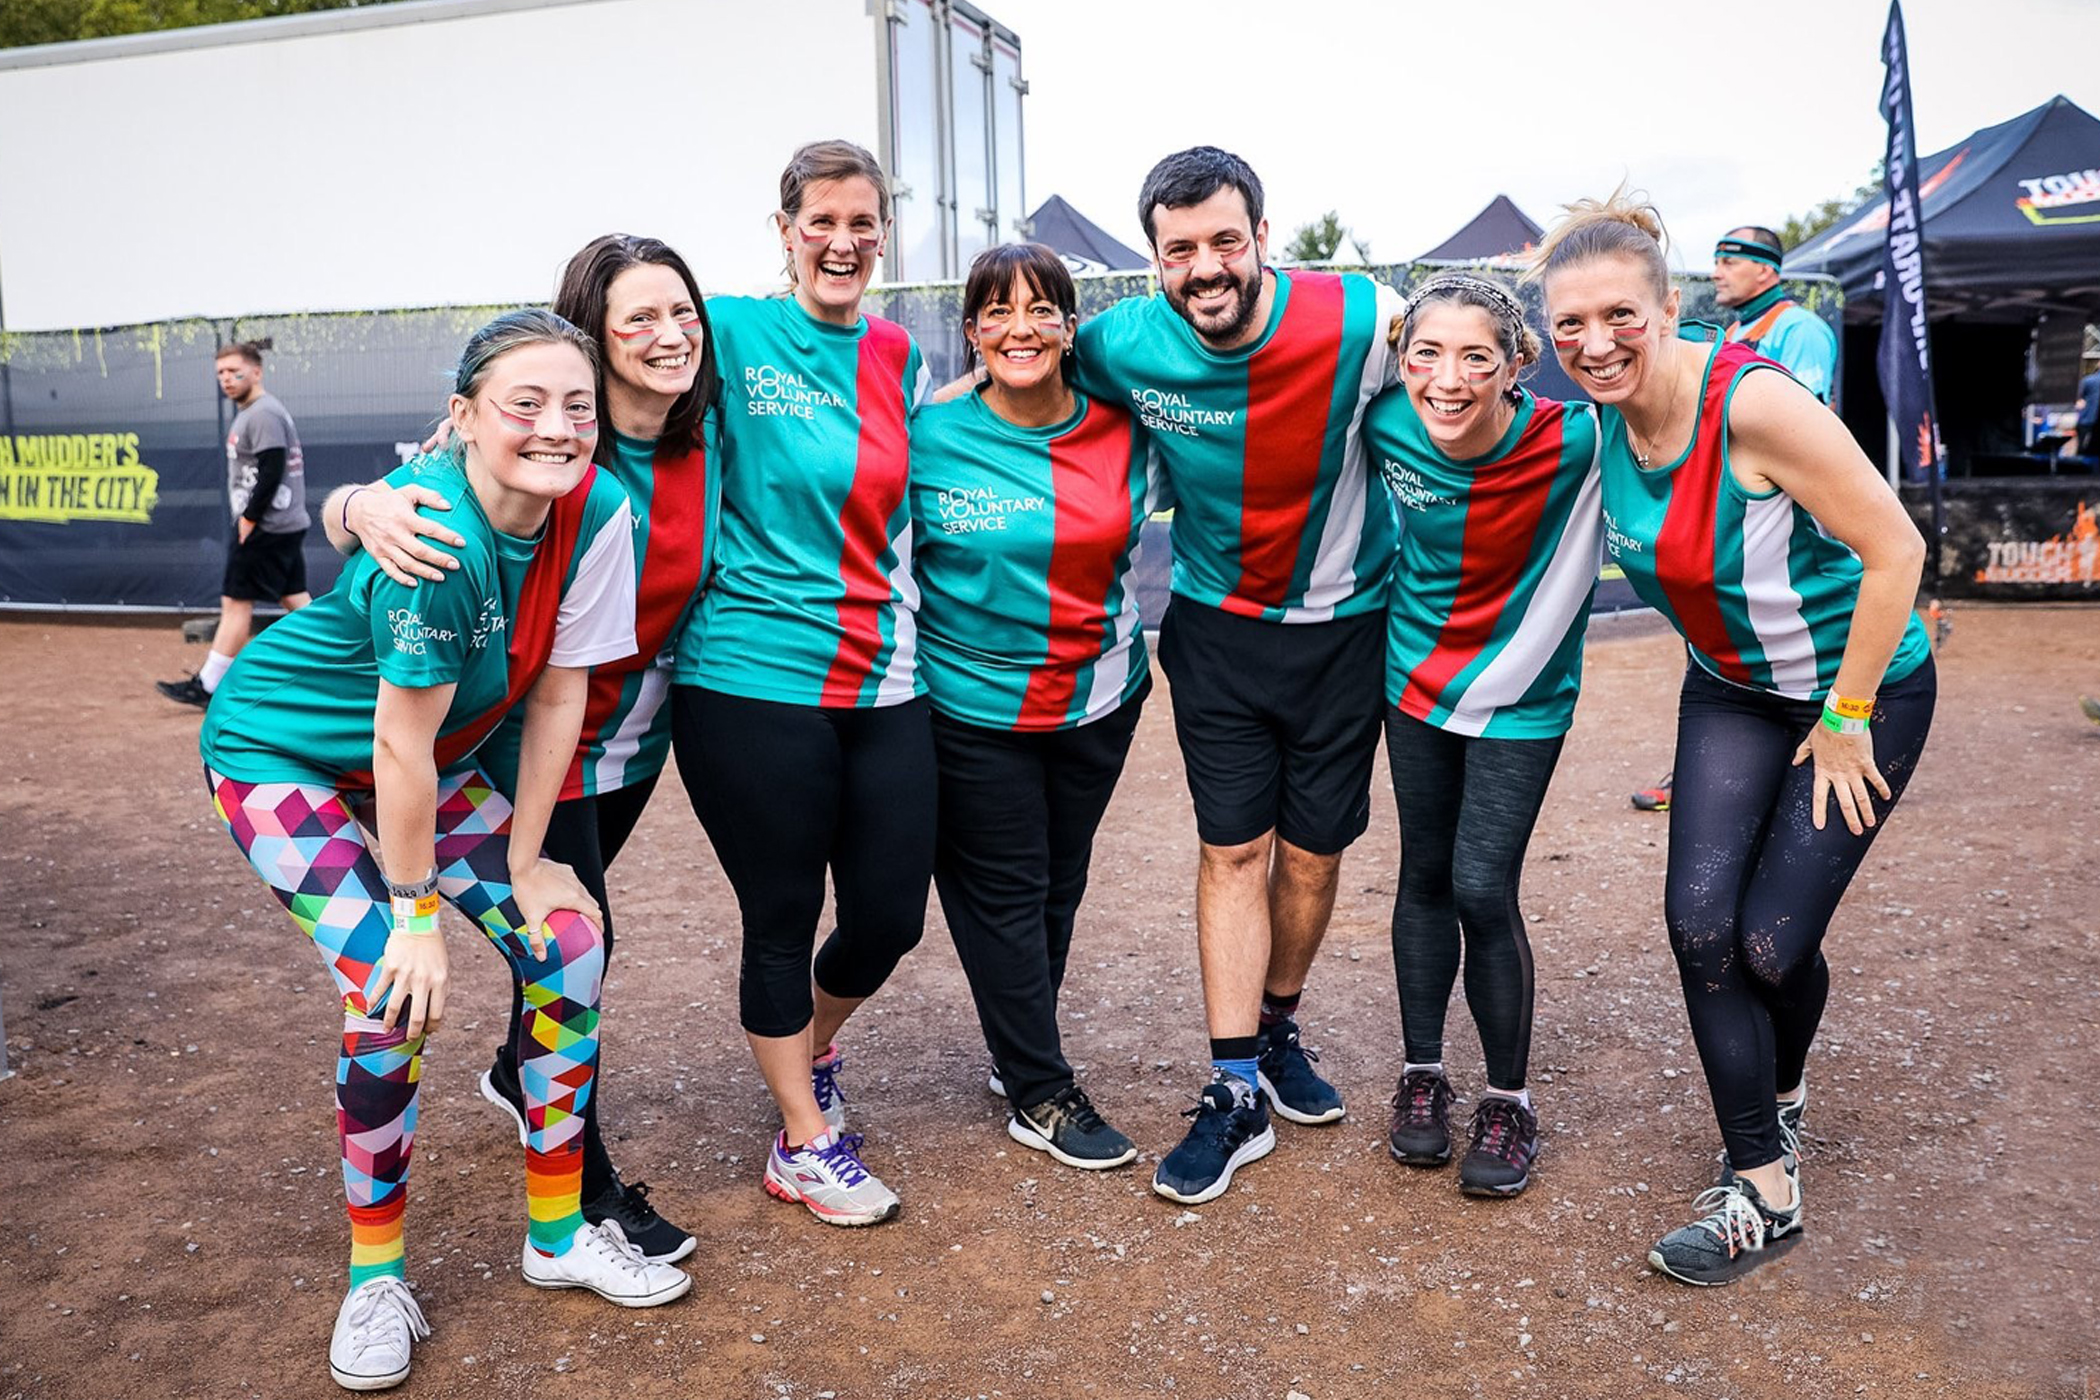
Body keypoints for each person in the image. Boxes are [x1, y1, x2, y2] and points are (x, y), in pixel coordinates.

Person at [199, 310, 689, 1393]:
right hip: (283, 749)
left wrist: (527, 858)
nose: (557, 427)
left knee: (565, 944)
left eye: (576, 405)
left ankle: (557, 1234)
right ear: (463, 418)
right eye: (526, 403)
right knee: (389, 990)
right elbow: (396, 740)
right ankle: (377, 1277)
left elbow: (564, 691)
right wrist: (415, 914)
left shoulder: (600, 508)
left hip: (429, 757)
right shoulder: (440, 535)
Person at [1533, 190, 1935, 1286]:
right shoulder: (1597, 421)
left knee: (1768, 944)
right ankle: (1762, 1175)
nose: (1594, 342)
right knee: (1702, 927)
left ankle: (1782, 1085)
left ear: (1671, 307)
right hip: (1732, 690)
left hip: (1863, 691)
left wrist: (1846, 715)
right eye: (1568, 325)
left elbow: (1896, 549)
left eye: (1619, 314)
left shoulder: (1750, 403)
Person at [320, 235, 722, 1264]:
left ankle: (516, 1075)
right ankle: (585, 1195)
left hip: (620, 736)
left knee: (557, 934)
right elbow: (381, 505)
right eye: (637, 317)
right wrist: (355, 508)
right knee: (576, 937)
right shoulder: (522, 419)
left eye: (681, 311)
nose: (666, 334)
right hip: (504, 741)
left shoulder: (711, 438)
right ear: (591, 337)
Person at [1066, 147, 1405, 1205]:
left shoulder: (1365, 319)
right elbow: (1015, 385)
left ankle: (1279, 1024)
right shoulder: (1117, 342)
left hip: (1349, 629)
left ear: (1263, 234)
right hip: (1215, 633)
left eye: (1223, 241)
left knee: (1309, 860)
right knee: (1232, 850)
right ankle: (1234, 1082)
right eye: (1179, 250)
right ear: (1151, 259)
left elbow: (1468, 375)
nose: (1204, 266)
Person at [669, 139, 933, 1226]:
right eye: (820, 220)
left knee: (888, 918)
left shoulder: (900, 352)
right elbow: (593, 371)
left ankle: (805, 1047)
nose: (842, 240)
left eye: (862, 222)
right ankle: (802, 1137)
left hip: (886, 676)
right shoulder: (725, 331)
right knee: (780, 913)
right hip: (748, 674)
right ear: (784, 231)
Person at [911, 243, 1163, 1171]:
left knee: (1062, 879)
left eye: (1041, 309)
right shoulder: (925, 437)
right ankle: (1041, 1091)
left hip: (1101, 696)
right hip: (970, 708)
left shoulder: (1126, 431)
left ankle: (1018, 1046)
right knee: (1007, 890)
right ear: (972, 331)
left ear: (1069, 325)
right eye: (996, 311)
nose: (1020, 327)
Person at [1363, 273, 1603, 1199]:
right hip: (1413, 685)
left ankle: (1510, 1099)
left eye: (1477, 357)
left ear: (1518, 368)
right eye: (1426, 353)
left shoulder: (1580, 438)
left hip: (1525, 698)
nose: (1447, 380)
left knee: (1479, 883)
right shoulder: (1384, 423)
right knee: (1424, 873)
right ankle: (1423, 1075)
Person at [1631, 226, 1838, 812]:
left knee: (1791, 627)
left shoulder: (1800, 328)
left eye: (1730, 261)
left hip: (1782, 515)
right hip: (1725, 512)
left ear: (1768, 270)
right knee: (1714, 632)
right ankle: (1708, 767)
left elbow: (1805, 422)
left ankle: (1824, 741)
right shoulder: (1741, 329)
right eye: (1716, 260)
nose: (1717, 271)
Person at [158, 339, 312, 707]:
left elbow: (272, 469)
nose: (226, 379)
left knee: (236, 603)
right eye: (220, 373)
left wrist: (250, 518)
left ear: (255, 372)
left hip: (265, 527)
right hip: (280, 525)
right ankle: (346, 657)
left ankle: (208, 686)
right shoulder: (257, 412)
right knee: (295, 598)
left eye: (233, 371)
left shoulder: (262, 413)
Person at [2074, 361, 2100, 459]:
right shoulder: (2090, 381)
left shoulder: (2088, 380)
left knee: (2083, 450)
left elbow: (2076, 397)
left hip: (2087, 420)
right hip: (2091, 420)